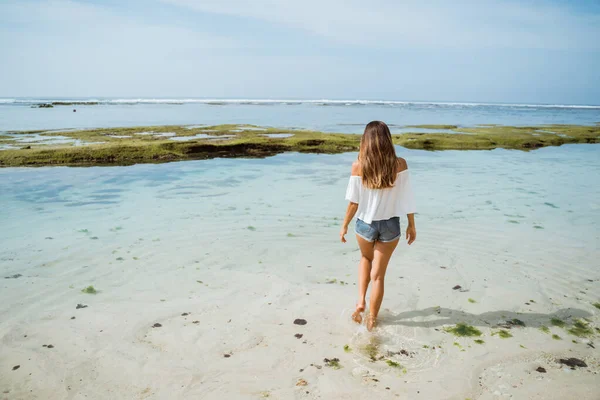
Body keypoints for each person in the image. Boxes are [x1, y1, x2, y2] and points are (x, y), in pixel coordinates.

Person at [339, 121, 417, 331]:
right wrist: (411, 224)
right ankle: (372, 319)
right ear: (387, 140)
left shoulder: (358, 166)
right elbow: (407, 197)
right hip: (391, 225)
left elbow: (353, 203)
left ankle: (361, 302)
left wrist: (344, 225)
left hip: (365, 224)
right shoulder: (400, 164)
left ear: (366, 140)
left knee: (365, 258)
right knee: (379, 276)